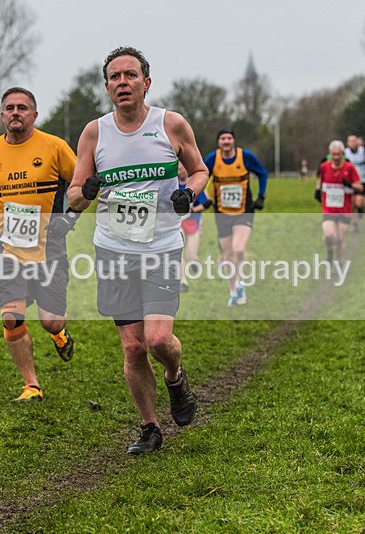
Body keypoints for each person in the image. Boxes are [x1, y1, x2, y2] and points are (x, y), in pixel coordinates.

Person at [68, 46, 209, 454]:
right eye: (115, 77)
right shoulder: (95, 133)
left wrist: (188, 194)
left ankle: (175, 375)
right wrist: (87, 191)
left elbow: (200, 171)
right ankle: (149, 427)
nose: (122, 82)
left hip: (161, 247)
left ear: (146, 83)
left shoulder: (171, 124)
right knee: (132, 346)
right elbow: (74, 196)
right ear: (107, 86)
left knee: (159, 339)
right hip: (113, 249)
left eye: (130, 75)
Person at [0, 87, 77, 402]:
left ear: (34, 114)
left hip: (49, 249)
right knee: (11, 317)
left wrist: (69, 219)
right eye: (9, 108)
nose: (15, 112)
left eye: (22, 108)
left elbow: (82, 181)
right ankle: (31, 385)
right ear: (2, 114)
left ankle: (58, 333)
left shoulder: (55, 147)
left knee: (50, 319)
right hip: (7, 250)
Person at [204, 128, 268, 306]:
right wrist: (204, 199)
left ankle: (241, 282)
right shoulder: (212, 159)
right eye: (223, 138)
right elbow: (200, 175)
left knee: (239, 248)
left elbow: (262, 173)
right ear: (218, 142)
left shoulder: (245, 156)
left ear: (234, 141)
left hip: (244, 210)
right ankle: (233, 290)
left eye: (229, 138)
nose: (226, 141)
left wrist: (261, 195)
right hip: (222, 212)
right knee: (227, 255)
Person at [316, 140, 363, 262]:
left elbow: (360, 187)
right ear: (330, 154)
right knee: (328, 235)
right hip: (329, 209)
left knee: (340, 238)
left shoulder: (350, 168)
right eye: (334, 154)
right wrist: (317, 190)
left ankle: (340, 264)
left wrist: (350, 185)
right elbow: (319, 180)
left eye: (338, 154)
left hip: (344, 210)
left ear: (343, 154)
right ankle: (329, 253)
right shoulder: (324, 167)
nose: (336, 157)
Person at [177, 162, 212, 292]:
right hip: (178, 223)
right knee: (179, 252)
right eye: (178, 167)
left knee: (190, 255)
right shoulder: (172, 184)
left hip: (194, 221)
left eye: (182, 167)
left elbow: (206, 203)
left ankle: (194, 261)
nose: (179, 170)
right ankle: (183, 281)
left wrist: (192, 210)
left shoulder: (194, 183)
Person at [345, 135, 365, 228]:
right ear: (347, 143)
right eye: (350, 141)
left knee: (359, 202)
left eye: (354, 141)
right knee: (351, 203)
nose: (352, 143)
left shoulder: (364, 151)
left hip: (362, 180)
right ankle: (354, 223)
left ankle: (361, 212)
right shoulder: (345, 153)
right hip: (350, 182)